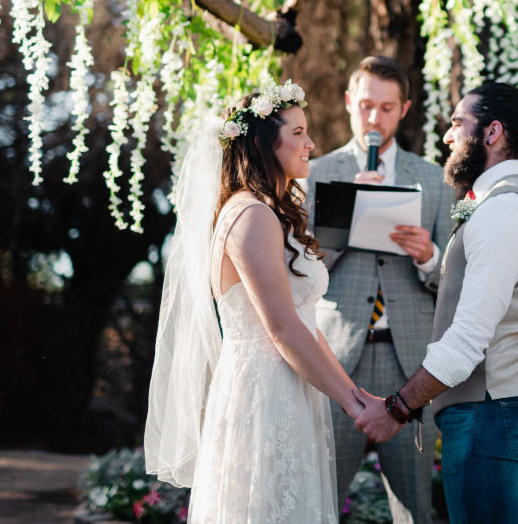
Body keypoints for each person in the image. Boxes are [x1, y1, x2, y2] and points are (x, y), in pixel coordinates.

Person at [144, 82, 364, 523]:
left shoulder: (270, 214)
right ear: (265, 141)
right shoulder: (251, 216)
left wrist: (356, 395)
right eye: (299, 132)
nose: (311, 144)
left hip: (289, 384)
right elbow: (282, 329)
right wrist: (354, 405)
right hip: (265, 394)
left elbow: (306, 324)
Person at [352, 81, 518, 524]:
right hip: (484, 407)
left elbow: (468, 340)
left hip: (489, 407)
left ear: (492, 133)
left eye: (457, 123)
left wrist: (397, 408)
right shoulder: (492, 204)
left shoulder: (504, 211)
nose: (447, 136)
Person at [305, 57, 454, 524]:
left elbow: (453, 281)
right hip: (336, 361)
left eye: (386, 108)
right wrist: (344, 218)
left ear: (405, 109)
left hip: (410, 362)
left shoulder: (433, 177)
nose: (374, 118)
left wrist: (429, 256)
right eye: (366, 105)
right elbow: (300, 273)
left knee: (415, 508)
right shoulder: (315, 173)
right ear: (349, 103)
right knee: (322, 500)